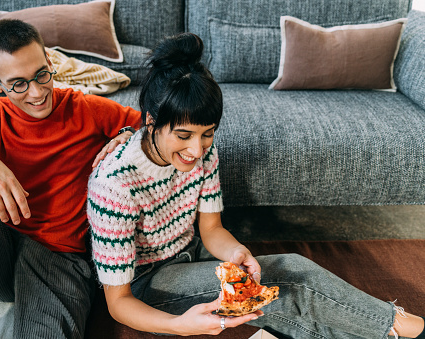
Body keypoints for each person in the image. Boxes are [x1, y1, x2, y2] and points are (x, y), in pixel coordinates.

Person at [87, 32, 425, 338]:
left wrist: (236, 252)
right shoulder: (113, 187)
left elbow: (211, 228)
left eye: (207, 134)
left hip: (194, 252)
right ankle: (404, 326)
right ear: (150, 122)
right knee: (290, 274)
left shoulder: (202, 152)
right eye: (183, 136)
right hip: (151, 283)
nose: (196, 150)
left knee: (280, 302)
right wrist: (180, 325)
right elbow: (118, 303)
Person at [0, 19, 140, 339]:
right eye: (18, 83)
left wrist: (128, 136)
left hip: (59, 256)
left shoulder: (85, 108)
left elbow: (150, 128)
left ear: (49, 62)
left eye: (41, 75)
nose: (36, 93)